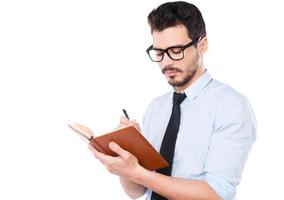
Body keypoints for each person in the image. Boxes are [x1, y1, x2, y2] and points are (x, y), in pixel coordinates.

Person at [88, 1, 256, 200]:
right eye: (159, 53)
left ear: (202, 45)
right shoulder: (156, 107)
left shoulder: (231, 106)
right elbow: (137, 192)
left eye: (176, 50)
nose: (166, 62)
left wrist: (138, 172)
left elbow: (215, 194)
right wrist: (125, 157)